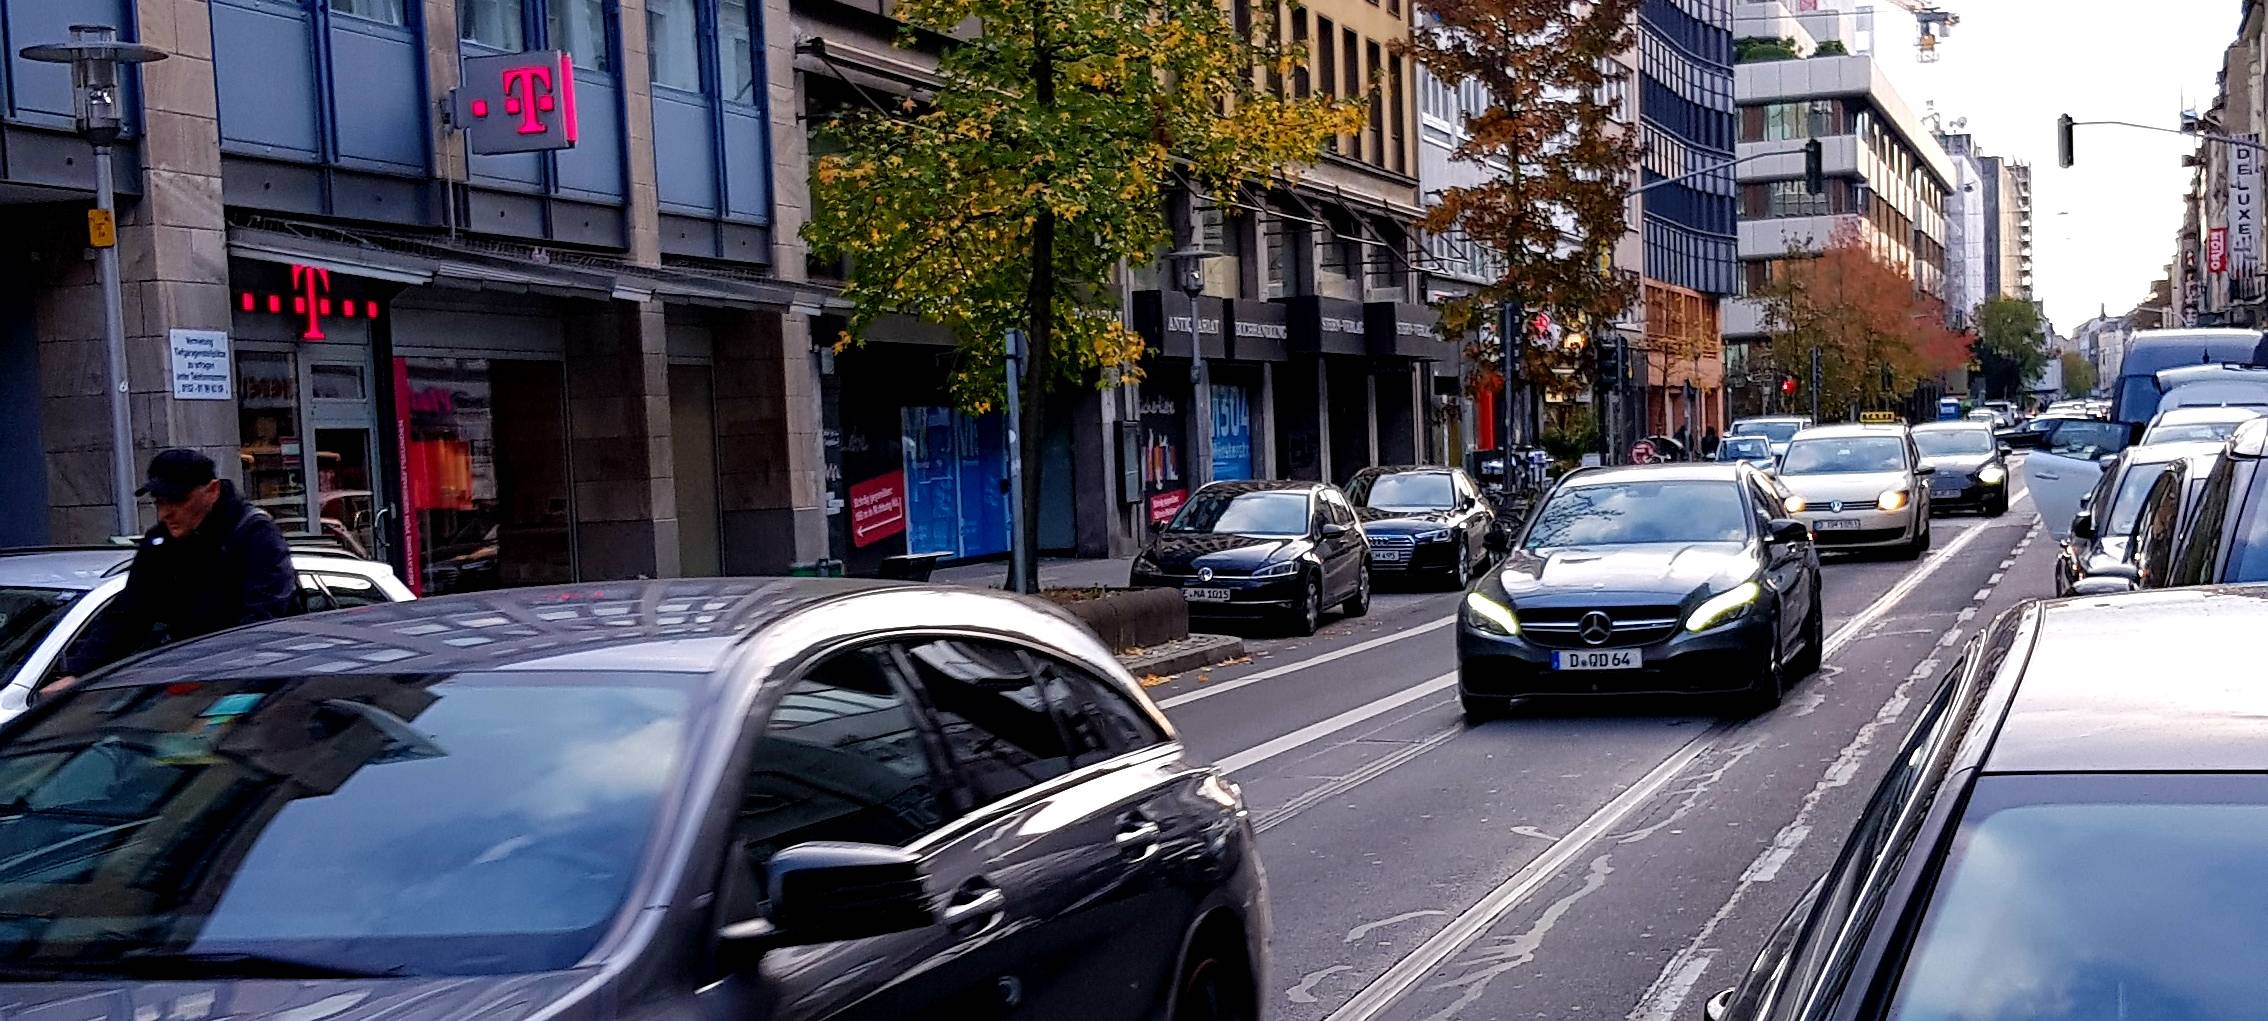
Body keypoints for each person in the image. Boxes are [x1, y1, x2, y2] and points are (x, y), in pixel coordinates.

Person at [52, 449, 297, 688]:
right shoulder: (161, 542)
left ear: (212, 491)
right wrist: (78, 673)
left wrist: (214, 672)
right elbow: (129, 613)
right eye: (159, 502)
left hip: (250, 681)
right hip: (184, 676)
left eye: (178, 500)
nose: (165, 513)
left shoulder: (254, 534)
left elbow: (262, 619)